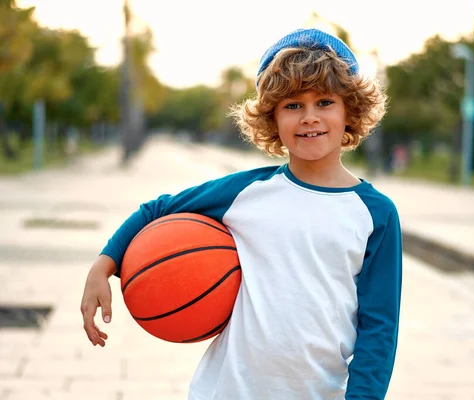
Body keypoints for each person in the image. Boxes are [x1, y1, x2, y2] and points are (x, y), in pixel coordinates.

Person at [81, 28, 403, 400]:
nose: (309, 117)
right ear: (272, 119)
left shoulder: (376, 214)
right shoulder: (246, 193)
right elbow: (157, 210)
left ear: (350, 110)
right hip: (226, 390)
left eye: (325, 102)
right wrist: (102, 266)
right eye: (293, 105)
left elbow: (379, 327)